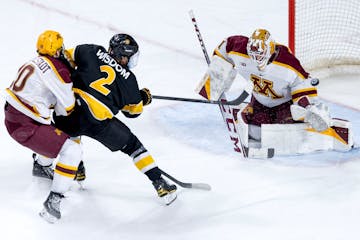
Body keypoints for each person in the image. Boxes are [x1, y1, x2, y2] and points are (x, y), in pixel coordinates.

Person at [52, 33, 177, 206]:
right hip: (98, 123)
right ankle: (159, 183)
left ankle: (77, 168)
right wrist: (142, 98)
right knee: (134, 147)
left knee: (72, 125)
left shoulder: (91, 50)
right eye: (130, 57)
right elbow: (133, 112)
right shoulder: (130, 80)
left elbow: (66, 59)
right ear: (123, 56)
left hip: (70, 112)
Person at [200, 28, 353, 153]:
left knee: (286, 126)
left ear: (270, 50)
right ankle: (258, 114)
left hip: (284, 103)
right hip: (259, 100)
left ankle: (320, 124)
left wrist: (306, 105)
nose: (256, 58)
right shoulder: (239, 49)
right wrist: (214, 81)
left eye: (260, 54)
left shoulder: (287, 63)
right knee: (255, 131)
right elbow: (226, 46)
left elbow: (302, 83)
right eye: (252, 53)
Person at [4, 30, 83, 223]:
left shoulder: (33, 61)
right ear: (57, 51)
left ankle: (42, 166)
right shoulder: (60, 70)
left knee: (53, 131)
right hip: (26, 125)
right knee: (72, 150)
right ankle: (53, 202)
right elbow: (67, 109)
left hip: (12, 116)